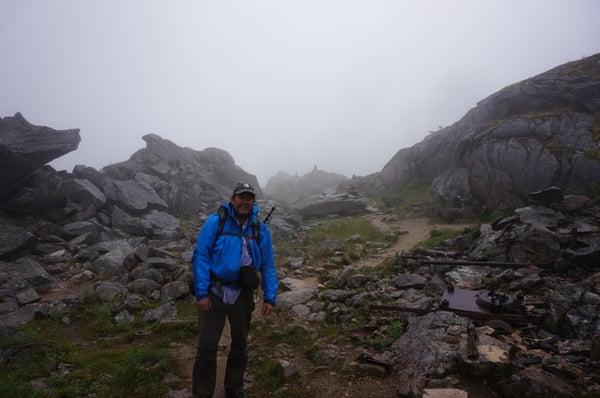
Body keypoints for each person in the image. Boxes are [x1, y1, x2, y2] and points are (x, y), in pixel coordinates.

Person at [191, 182, 278, 398]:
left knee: (240, 344)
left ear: (253, 202)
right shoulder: (215, 222)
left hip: (242, 295)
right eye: (241, 197)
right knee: (207, 346)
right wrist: (201, 293)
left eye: (249, 198)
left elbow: (268, 264)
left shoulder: (260, 229)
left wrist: (270, 296)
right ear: (232, 199)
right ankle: (202, 393)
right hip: (214, 292)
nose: (245, 202)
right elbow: (201, 256)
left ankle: (234, 388)